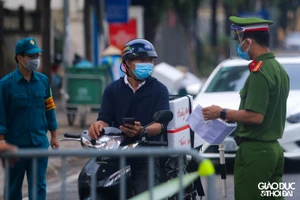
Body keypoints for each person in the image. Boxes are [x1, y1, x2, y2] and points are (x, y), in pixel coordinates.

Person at [202, 16, 290, 200]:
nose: (238, 45)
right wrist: (231, 116)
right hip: (273, 151)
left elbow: (256, 116)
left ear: (248, 41)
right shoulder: (278, 69)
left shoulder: (260, 72)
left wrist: (221, 112)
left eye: (239, 40)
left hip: (256, 155)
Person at [88, 38, 170, 195]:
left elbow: (160, 125)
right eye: (141, 59)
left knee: (145, 194)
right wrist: (97, 126)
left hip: (147, 154)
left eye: (150, 60)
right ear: (127, 63)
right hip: (116, 152)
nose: (147, 64)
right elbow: (104, 119)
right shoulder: (112, 90)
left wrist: (142, 131)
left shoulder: (160, 90)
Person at [0, 37, 60, 200]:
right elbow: (1, 114)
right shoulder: (5, 84)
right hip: (15, 145)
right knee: (13, 186)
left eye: (37, 56)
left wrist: (54, 136)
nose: (35, 60)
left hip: (39, 143)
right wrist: (1, 140)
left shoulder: (43, 81)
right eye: (31, 56)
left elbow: (49, 108)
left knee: (38, 186)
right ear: (20, 57)